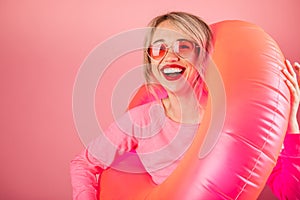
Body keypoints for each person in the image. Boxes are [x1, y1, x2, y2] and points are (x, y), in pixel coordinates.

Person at [70, 11, 300, 199]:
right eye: (159, 50)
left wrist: (290, 123)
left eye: (183, 47)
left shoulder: (236, 118)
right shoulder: (141, 120)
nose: (170, 57)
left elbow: (291, 193)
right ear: (151, 64)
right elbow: (83, 164)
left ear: (202, 57)